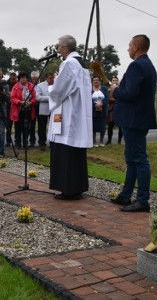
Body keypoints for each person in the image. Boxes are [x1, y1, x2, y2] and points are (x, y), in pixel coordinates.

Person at [109, 34, 157, 212]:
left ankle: (143, 200)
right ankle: (125, 195)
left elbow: (130, 94)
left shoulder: (137, 65)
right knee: (131, 158)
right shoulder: (148, 65)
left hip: (134, 119)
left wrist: (115, 90)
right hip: (138, 118)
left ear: (137, 47)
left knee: (139, 159)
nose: (128, 48)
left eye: (129, 45)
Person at [47, 35, 92, 200]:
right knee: (75, 153)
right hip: (78, 114)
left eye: (59, 46)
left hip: (68, 115)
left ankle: (68, 189)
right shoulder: (81, 64)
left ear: (65, 48)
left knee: (66, 151)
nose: (58, 49)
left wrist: (50, 88)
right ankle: (77, 187)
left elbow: (59, 90)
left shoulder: (69, 63)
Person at [10, 72, 36, 150]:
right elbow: (12, 98)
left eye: (24, 77)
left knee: (26, 127)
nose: (23, 79)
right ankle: (18, 143)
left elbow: (35, 97)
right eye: (21, 78)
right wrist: (19, 102)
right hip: (18, 110)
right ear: (19, 79)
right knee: (18, 127)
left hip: (28, 109)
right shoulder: (15, 87)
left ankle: (25, 143)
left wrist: (31, 102)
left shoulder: (31, 86)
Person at [35, 72, 54, 151]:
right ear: (46, 77)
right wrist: (49, 98)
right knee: (42, 127)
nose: (51, 79)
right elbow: (38, 97)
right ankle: (42, 143)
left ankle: (53, 143)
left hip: (54, 109)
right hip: (43, 109)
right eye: (50, 78)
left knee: (54, 127)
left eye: (52, 78)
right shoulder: (40, 85)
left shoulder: (56, 85)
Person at [91, 75, 109, 147]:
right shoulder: (89, 89)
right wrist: (95, 105)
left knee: (102, 127)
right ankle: (94, 141)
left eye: (97, 80)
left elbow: (107, 98)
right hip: (93, 110)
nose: (95, 81)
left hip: (102, 110)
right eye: (94, 80)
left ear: (99, 81)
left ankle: (101, 140)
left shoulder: (104, 89)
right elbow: (88, 99)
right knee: (94, 127)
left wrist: (101, 104)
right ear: (92, 81)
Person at [106, 76, 123, 145]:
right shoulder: (108, 90)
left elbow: (121, 98)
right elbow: (107, 98)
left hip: (120, 109)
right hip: (111, 109)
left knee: (120, 126)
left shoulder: (120, 89)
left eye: (116, 80)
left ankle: (119, 141)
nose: (114, 81)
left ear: (118, 81)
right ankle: (109, 140)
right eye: (113, 80)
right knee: (110, 125)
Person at [5, 72, 18, 147]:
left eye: (14, 78)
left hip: (16, 107)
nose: (13, 79)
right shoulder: (6, 84)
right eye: (12, 78)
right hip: (8, 107)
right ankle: (8, 140)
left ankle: (16, 140)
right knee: (8, 125)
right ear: (9, 78)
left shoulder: (17, 85)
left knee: (17, 125)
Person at [28, 71, 40, 147]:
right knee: (31, 125)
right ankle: (32, 141)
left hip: (40, 106)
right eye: (33, 79)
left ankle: (41, 141)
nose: (35, 80)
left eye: (36, 79)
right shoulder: (30, 86)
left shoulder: (42, 85)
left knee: (41, 125)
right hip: (32, 106)